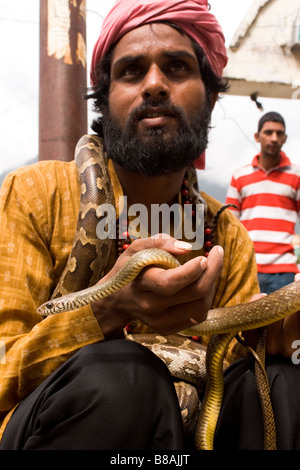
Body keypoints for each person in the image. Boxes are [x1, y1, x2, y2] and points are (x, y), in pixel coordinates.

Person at [0, 0, 299, 451]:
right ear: (103, 98)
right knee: (123, 377)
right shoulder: (37, 195)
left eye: (177, 68)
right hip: (53, 424)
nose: (155, 85)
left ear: (211, 95)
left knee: (281, 384)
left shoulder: (224, 232)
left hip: (191, 435)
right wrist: (108, 311)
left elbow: (234, 368)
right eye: (131, 71)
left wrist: (274, 337)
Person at [226, 112, 300, 295]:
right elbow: (229, 226)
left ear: (285, 138)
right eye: (268, 132)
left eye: (279, 133)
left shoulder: (296, 176)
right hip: (246, 266)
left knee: (285, 324)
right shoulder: (239, 176)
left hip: (284, 271)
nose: (274, 138)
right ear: (257, 137)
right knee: (244, 323)